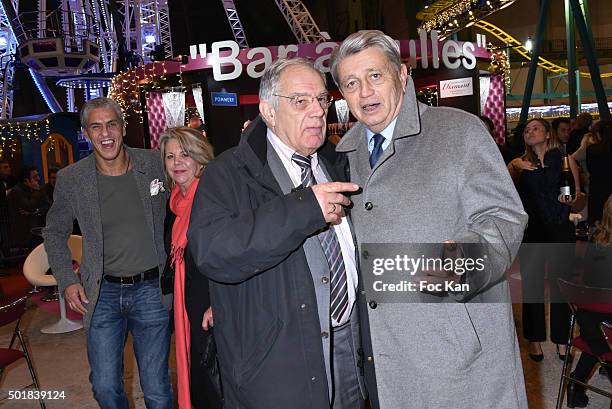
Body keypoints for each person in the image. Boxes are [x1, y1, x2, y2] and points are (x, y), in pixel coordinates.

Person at [331, 30, 529, 409]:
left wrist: (465, 262)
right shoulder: (344, 153)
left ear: (401, 75)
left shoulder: (459, 131)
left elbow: (503, 215)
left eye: (375, 76)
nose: (365, 92)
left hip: (453, 345)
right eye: (351, 83)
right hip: (381, 350)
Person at [187, 57, 365, 409]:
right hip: (278, 366)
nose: (317, 111)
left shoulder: (338, 162)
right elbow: (212, 251)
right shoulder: (228, 173)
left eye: (321, 100)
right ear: (268, 111)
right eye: (300, 101)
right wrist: (304, 209)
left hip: (350, 352)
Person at [43, 97, 173, 409]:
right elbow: (54, 232)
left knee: (156, 387)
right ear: (86, 133)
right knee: (104, 387)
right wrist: (66, 279)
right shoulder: (73, 179)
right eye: (96, 126)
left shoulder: (154, 163)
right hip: (101, 294)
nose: (106, 133)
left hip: (151, 292)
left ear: (123, 127)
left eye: (111, 124)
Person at [508, 118, 580, 363]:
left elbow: (577, 194)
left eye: (535, 128)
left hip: (560, 227)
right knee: (533, 288)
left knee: (562, 286)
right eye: (527, 130)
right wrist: (514, 164)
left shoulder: (563, 160)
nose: (530, 132)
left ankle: (562, 340)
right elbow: (503, 188)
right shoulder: (520, 163)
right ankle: (535, 340)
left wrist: (572, 201)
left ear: (547, 134)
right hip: (533, 230)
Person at [159, 127, 221, 409]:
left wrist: (220, 303)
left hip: (213, 307)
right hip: (189, 306)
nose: (177, 162)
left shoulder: (214, 199)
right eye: (170, 156)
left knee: (217, 383)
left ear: (200, 158)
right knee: (199, 376)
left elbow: (233, 257)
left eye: (185, 154)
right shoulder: (174, 205)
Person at [566, 193, 612, 407]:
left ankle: (576, 383)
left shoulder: (594, 239)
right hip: (608, 329)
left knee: (598, 340)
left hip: (589, 324)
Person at [7, 166, 45, 250]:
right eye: (34, 177)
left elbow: (47, 205)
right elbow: (29, 207)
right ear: (26, 180)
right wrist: (36, 191)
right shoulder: (16, 191)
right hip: (24, 234)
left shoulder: (35, 188)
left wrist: (35, 211)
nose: (38, 178)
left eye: (37, 175)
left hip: (35, 230)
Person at [586, 120, 612, 225]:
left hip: (598, 190)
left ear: (598, 133)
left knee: (599, 223)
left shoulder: (592, 150)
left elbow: (590, 168)